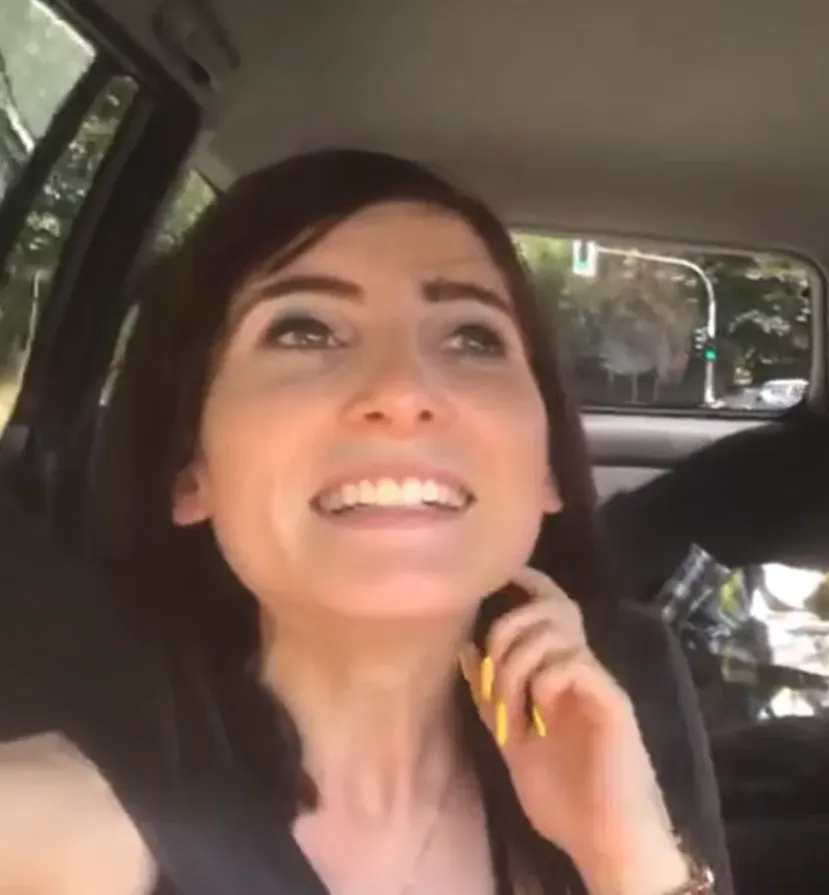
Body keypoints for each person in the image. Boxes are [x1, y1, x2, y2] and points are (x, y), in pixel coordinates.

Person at [0, 149, 726, 894]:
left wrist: (630, 860)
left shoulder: (620, 744)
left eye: (473, 338)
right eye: (303, 330)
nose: (403, 391)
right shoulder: (46, 834)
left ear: (546, 471)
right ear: (192, 472)